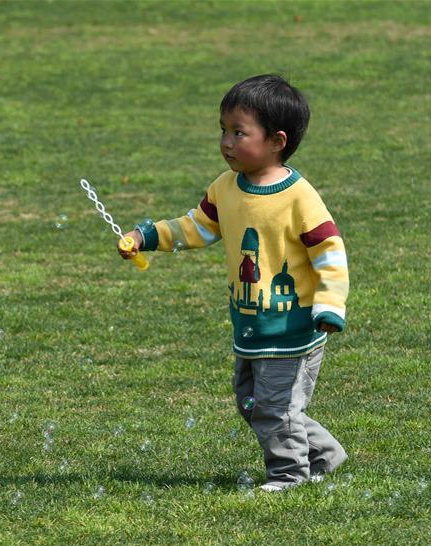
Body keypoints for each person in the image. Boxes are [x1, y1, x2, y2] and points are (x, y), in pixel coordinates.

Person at [118, 74, 349, 492]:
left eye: (238, 132)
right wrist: (146, 236)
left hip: (292, 327)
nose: (226, 141)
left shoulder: (299, 197)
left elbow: (329, 251)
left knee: (275, 408)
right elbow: (197, 227)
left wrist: (330, 305)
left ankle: (288, 475)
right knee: (254, 404)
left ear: (277, 141)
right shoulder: (226, 188)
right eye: (222, 130)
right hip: (250, 324)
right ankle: (324, 454)